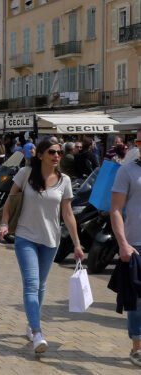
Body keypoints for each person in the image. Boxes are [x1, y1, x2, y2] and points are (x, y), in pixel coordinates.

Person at [0, 138, 82, 354]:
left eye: (59, 153)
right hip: (25, 237)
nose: (56, 156)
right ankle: (37, 332)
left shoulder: (64, 181)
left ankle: (30, 323)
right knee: (31, 283)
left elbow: (68, 214)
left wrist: (77, 244)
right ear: (41, 155)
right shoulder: (25, 174)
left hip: (51, 239)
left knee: (41, 285)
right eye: (52, 152)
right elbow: (11, 199)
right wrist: (5, 223)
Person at [110, 129, 141, 366]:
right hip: (136, 244)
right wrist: (123, 243)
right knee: (137, 299)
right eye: (139, 141)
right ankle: (138, 347)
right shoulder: (127, 171)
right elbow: (116, 210)